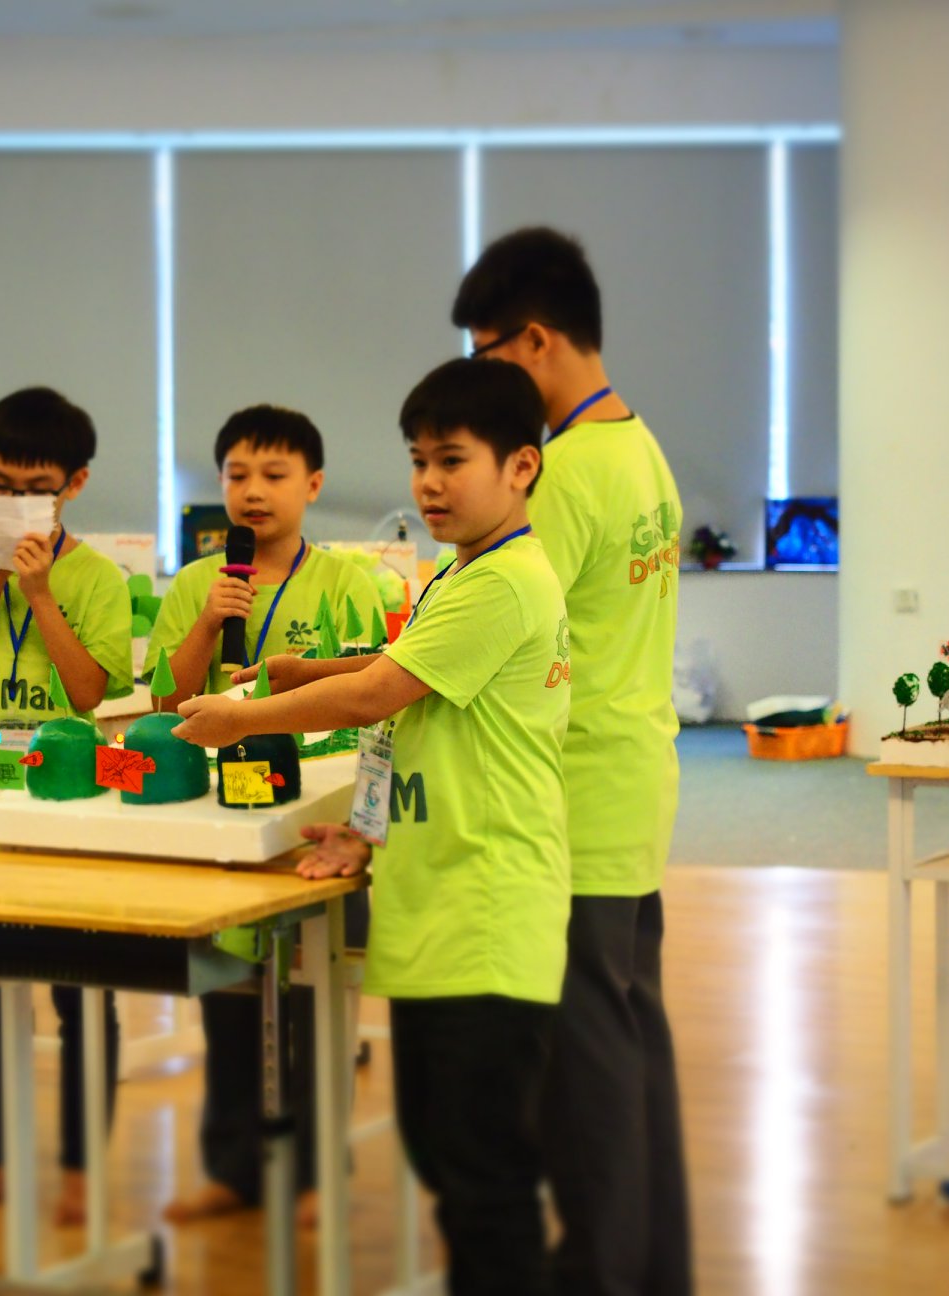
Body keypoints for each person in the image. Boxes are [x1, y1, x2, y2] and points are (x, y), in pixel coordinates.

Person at [175, 357, 571, 1295]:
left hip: (485, 913)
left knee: (483, 1179)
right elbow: (406, 692)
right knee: (444, 1154)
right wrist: (355, 814)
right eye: (419, 461)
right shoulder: (463, 573)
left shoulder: (503, 581)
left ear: (521, 467)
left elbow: (378, 693)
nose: (429, 483)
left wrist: (245, 713)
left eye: (452, 461)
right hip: (437, 905)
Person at [453, 225, 690, 1295]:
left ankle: (599, 1274)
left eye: (486, 353)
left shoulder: (563, 476)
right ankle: (655, 1269)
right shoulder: (641, 446)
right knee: (631, 1051)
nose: (481, 378)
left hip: (571, 797)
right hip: (632, 786)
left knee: (583, 1074)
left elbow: (495, 638)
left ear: (536, 340)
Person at [146, 405, 382, 1225]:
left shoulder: (348, 582)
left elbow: (369, 691)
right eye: (237, 474)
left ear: (312, 485)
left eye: (274, 475)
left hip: (317, 810)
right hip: (223, 813)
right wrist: (208, 620)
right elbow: (166, 701)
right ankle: (234, 1168)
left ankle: (316, 1170)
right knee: (229, 995)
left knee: (313, 999)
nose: (253, 491)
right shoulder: (195, 584)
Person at [0, 386, 135, 1219]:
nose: (13, 505)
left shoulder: (99, 579)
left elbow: (87, 694)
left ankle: (82, 1169)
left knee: (82, 997)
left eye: (34, 491)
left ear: (74, 484)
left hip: (68, 821)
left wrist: (41, 595)